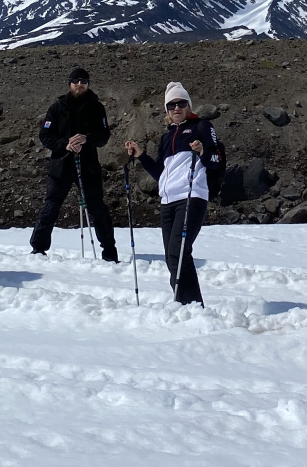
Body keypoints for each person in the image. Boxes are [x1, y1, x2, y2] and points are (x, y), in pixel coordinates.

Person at [125, 82, 224, 306]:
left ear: (189, 106)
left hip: (192, 196)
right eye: (171, 105)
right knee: (173, 258)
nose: (176, 108)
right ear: (167, 111)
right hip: (168, 201)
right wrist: (141, 155)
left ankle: (190, 305)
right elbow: (161, 173)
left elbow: (216, 160)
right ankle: (186, 303)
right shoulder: (166, 138)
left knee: (178, 252)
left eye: (181, 103)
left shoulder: (201, 127)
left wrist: (202, 151)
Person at [31, 67, 119, 260]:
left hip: (88, 166)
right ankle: (38, 248)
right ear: (69, 83)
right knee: (51, 206)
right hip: (61, 165)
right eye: (76, 81)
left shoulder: (97, 107)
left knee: (97, 208)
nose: (80, 84)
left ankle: (110, 252)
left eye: (84, 81)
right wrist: (66, 144)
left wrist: (86, 139)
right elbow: (45, 136)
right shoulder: (57, 108)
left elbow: (103, 136)